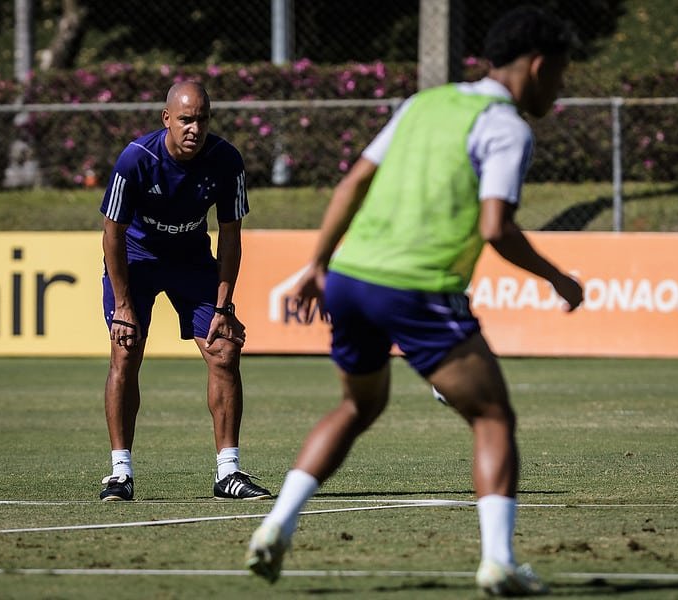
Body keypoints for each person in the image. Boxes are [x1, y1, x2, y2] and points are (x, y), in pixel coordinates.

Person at [245, 5, 583, 596]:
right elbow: (496, 228)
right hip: (416, 287)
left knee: (357, 407)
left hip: (351, 278)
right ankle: (499, 561)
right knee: (492, 416)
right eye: (559, 73)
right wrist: (558, 278)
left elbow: (354, 181)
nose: (559, 88)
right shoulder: (507, 128)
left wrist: (317, 263)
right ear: (537, 66)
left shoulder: (423, 103)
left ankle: (277, 524)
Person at [98, 81, 271, 502]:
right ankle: (120, 473)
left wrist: (224, 306)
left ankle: (228, 472)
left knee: (224, 350)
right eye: (186, 119)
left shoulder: (226, 160)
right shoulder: (136, 159)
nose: (195, 128)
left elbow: (230, 236)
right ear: (167, 119)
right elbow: (112, 234)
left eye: (203, 120)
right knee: (125, 352)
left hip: (191, 260)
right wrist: (123, 305)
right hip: (137, 259)